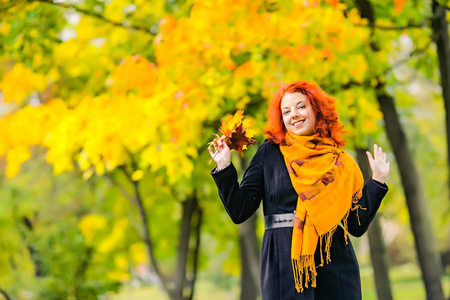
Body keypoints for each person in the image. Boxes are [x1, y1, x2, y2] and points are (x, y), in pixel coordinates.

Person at [208, 81, 390, 300]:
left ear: (317, 110)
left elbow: (356, 224)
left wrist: (377, 180)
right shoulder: (270, 152)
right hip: (283, 266)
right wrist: (224, 167)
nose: (293, 114)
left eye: (301, 106)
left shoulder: (339, 161)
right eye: (286, 111)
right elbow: (240, 210)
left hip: (335, 264)